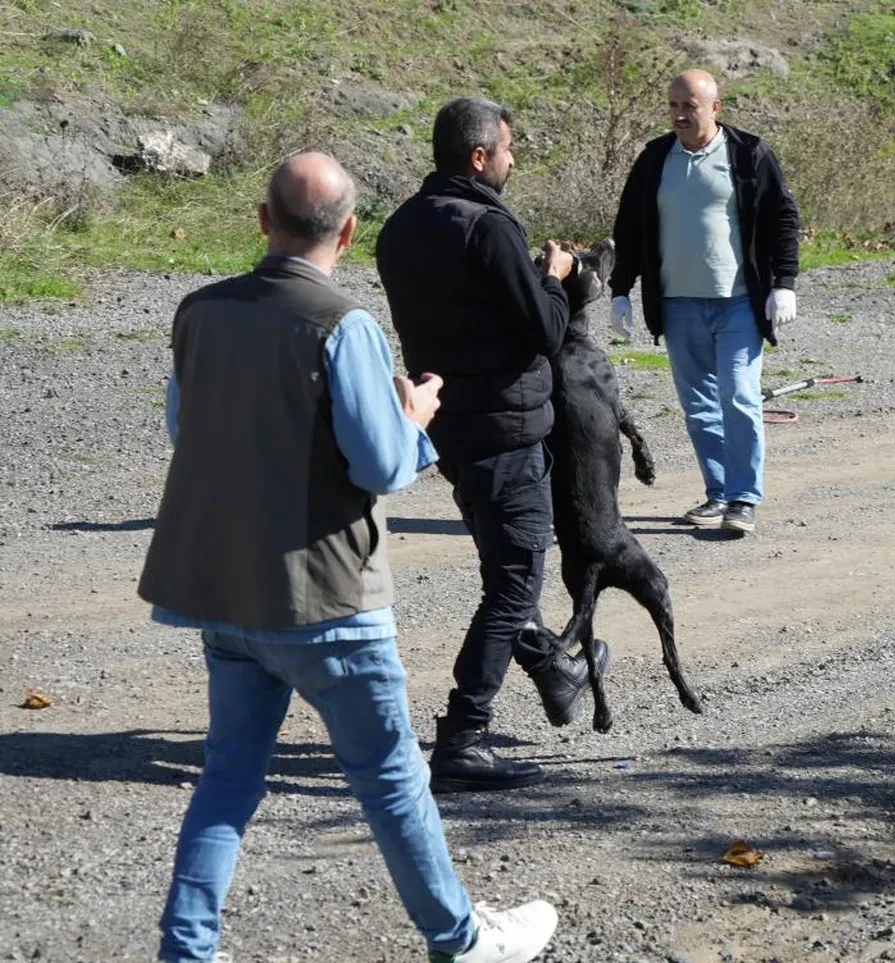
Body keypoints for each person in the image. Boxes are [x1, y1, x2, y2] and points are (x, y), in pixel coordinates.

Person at [138, 152, 557, 963]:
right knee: (391, 778)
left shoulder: (199, 312)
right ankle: (460, 939)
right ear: (351, 231)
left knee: (228, 776)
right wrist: (414, 416)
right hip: (328, 599)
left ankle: (187, 950)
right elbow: (381, 465)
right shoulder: (344, 325)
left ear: (263, 220)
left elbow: (186, 430)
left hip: (228, 594)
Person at [376, 97, 609, 794]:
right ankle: (464, 736)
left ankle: (555, 667)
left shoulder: (401, 227)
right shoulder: (489, 226)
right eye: (507, 149)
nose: (513, 160)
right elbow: (544, 330)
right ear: (479, 157)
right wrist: (557, 279)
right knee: (514, 582)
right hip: (505, 428)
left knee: (504, 565)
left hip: (447, 423)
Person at [609, 68, 801, 535]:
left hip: (738, 303)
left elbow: (782, 216)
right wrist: (620, 290)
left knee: (738, 395)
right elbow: (629, 226)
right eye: (673, 105)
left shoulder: (748, 153)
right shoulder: (655, 158)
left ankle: (744, 498)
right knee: (699, 406)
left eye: (689, 106)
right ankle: (719, 494)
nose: (679, 115)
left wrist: (784, 283)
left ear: (715, 108)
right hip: (677, 303)